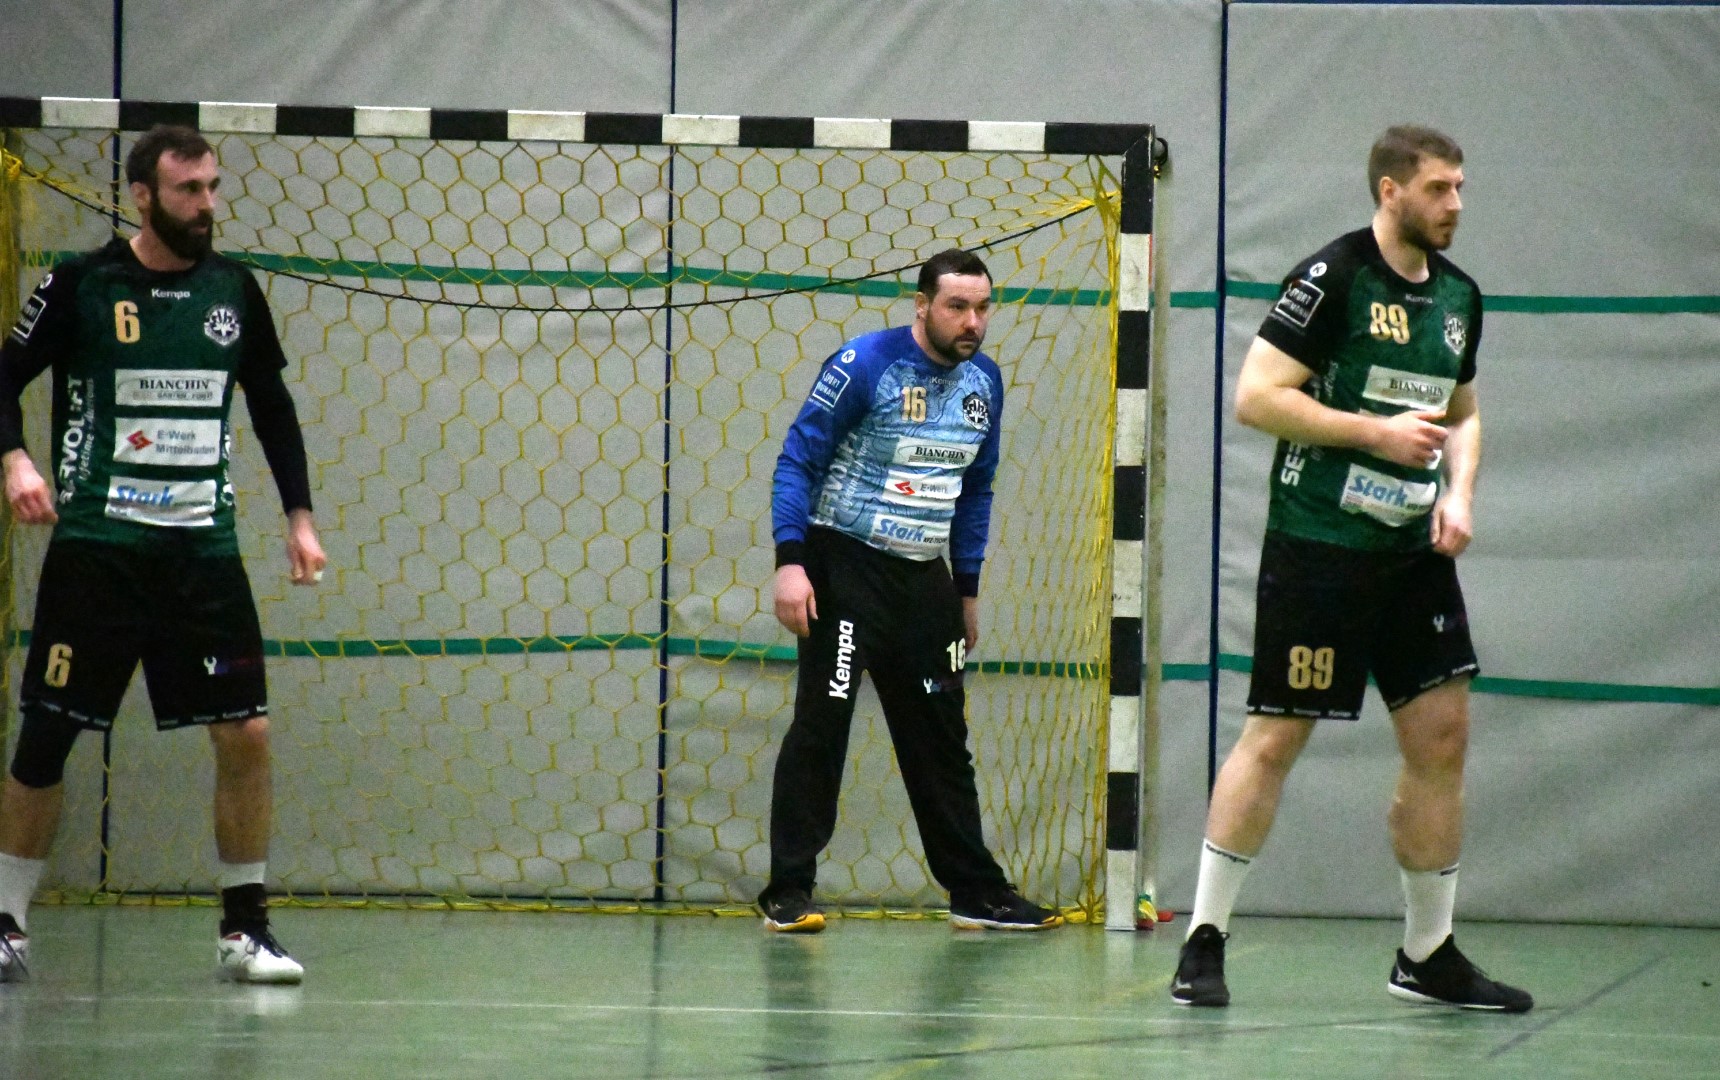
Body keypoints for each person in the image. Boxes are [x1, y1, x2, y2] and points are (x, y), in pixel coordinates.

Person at [1170, 127, 1531, 1011]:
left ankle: (1427, 954)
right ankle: (1203, 940)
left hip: (1413, 558)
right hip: (1320, 548)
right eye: (1439, 188)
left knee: (1442, 738)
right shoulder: (1331, 279)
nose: (1455, 204)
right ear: (1389, 190)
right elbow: (1257, 398)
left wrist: (1459, 494)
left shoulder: (1459, 297)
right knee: (1275, 737)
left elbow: (1462, 413)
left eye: (1460, 187)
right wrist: (1375, 434)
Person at [0, 125, 325, 984]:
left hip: (202, 557)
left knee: (246, 732)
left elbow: (272, 405)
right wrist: (16, 459)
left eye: (213, 187)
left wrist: (299, 516)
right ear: (143, 195)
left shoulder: (233, 290)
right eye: (189, 190)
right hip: (99, 551)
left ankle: (244, 931)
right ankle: (4, 922)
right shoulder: (81, 284)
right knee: (49, 732)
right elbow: (4, 376)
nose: (207, 205)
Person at [758, 248, 1062, 934]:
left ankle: (975, 892)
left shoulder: (985, 381)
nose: (972, 322)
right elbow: (797, 460)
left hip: (925, 578)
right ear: (921, 306)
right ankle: (788, 890)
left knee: (941, 737)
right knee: (822, 727)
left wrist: (966, 591)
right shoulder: (864, 364)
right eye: (957, 307)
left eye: (983, 308)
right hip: (843, 568)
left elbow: (975, 489)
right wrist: (790, 563)